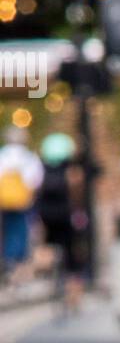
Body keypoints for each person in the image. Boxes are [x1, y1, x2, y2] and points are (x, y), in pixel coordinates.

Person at [36, 132, 86, 310]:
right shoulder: (71, 171)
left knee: (49, 246)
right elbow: (77, 194)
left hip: (46, 215)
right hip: (66, 216)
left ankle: (50, 281)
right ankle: (73, 294)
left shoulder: (40, 169)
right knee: (73, 254)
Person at [0, 127, 44, 283]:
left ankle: (8, 260)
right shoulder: (28, 157)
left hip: (4, 202)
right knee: (21, 230)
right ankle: (16, 263)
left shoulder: (3, 155)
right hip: (22, 201)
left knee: (7, 230)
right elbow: (35, 179)